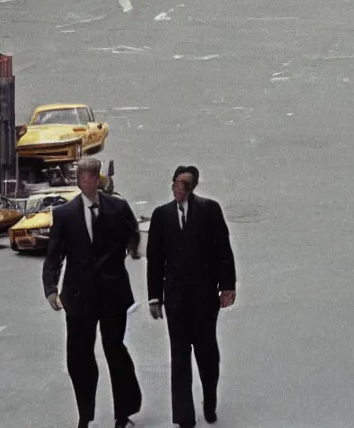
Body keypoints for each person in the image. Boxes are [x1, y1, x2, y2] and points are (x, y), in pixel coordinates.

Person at [42, 157, 143, 428]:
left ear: (97, 179)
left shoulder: (117, 207)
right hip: (78, 298)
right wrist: (51, 289)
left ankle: (124, 413)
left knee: (115, 352)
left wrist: (129, 251)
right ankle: (85, 415)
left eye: (89, 178)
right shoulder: (65, 215)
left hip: (113, 295)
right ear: (77, 180)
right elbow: (54, 256)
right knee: (79, 358)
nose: (85, 182)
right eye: (81, 178)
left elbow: (133, 231)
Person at [147, 165, 237, 428]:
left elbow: (223, 249)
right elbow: (155, 259)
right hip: (175, 300)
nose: (179, 189)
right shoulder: (161, 216)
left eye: (185, 185)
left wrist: (227, 286)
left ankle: (209, 401)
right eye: (176, 183)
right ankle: (184, 417)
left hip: (205, 299)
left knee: (207, 354)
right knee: (179, 356)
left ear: (193, 187)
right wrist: (155, 297)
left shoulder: (209, 211)